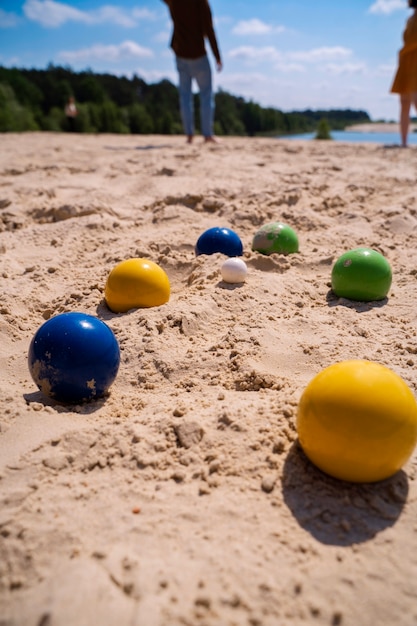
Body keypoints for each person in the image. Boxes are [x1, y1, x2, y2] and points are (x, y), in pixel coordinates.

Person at [162, 0, 222, 143]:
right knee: (206, 96)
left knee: (185, 96)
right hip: (198, 54)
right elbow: (209, 28)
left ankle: (189, 135)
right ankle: (207, 134)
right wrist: (217, 56)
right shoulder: (201, 2)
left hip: (180, 54)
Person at [390, 0, 417, 147]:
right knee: (404, 102)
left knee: (415, 100)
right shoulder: (410, 19)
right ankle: (404, 143)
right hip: (406, 61)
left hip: (415, 62)